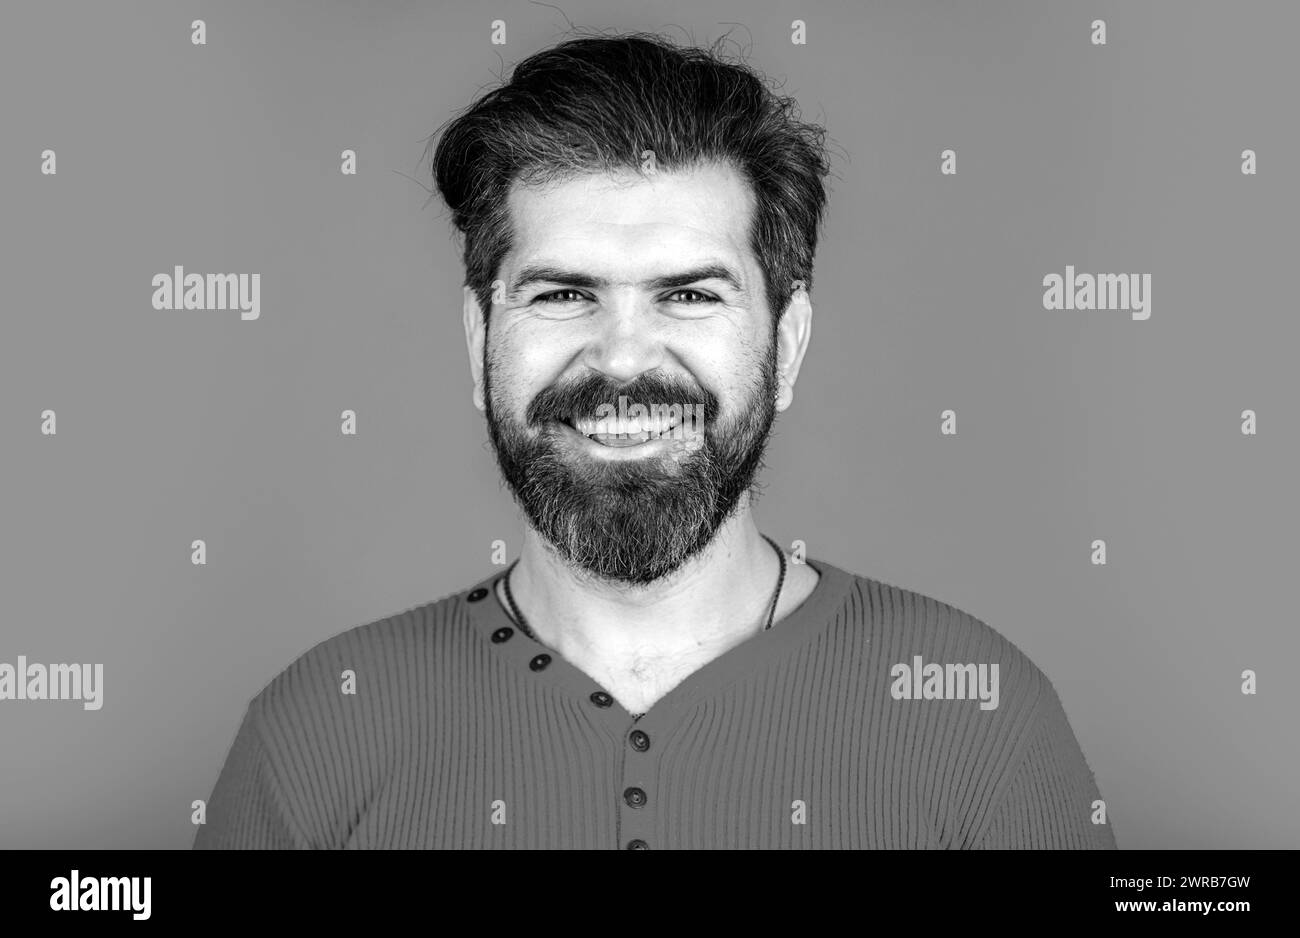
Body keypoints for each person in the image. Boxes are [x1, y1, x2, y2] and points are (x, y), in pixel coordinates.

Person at [194, 32, 1116, 850]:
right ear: (480, 339)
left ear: (785, 346)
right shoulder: (317, 726)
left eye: (689, 294)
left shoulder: (979, 714)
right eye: (563, 294)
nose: (624, 358)